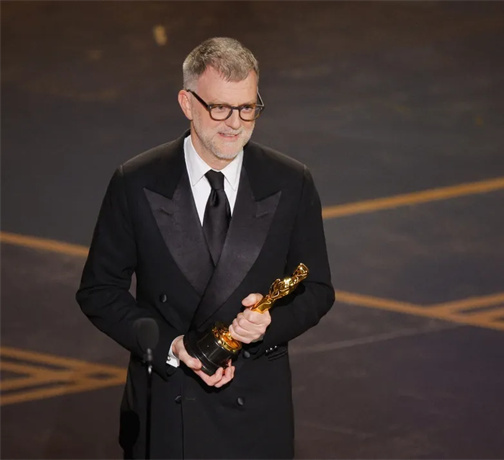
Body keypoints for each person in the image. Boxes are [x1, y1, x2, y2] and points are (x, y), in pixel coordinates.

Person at [76, 37, 334, 459]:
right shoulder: (136, 182)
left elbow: (317, 289)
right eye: (219, 108)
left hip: (256, 414)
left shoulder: (290, 182)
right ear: (186, 103)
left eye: (247, 108)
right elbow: (99, 291)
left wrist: (268, 324)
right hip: (167, 406)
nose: (234, 123)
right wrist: (171, 345)